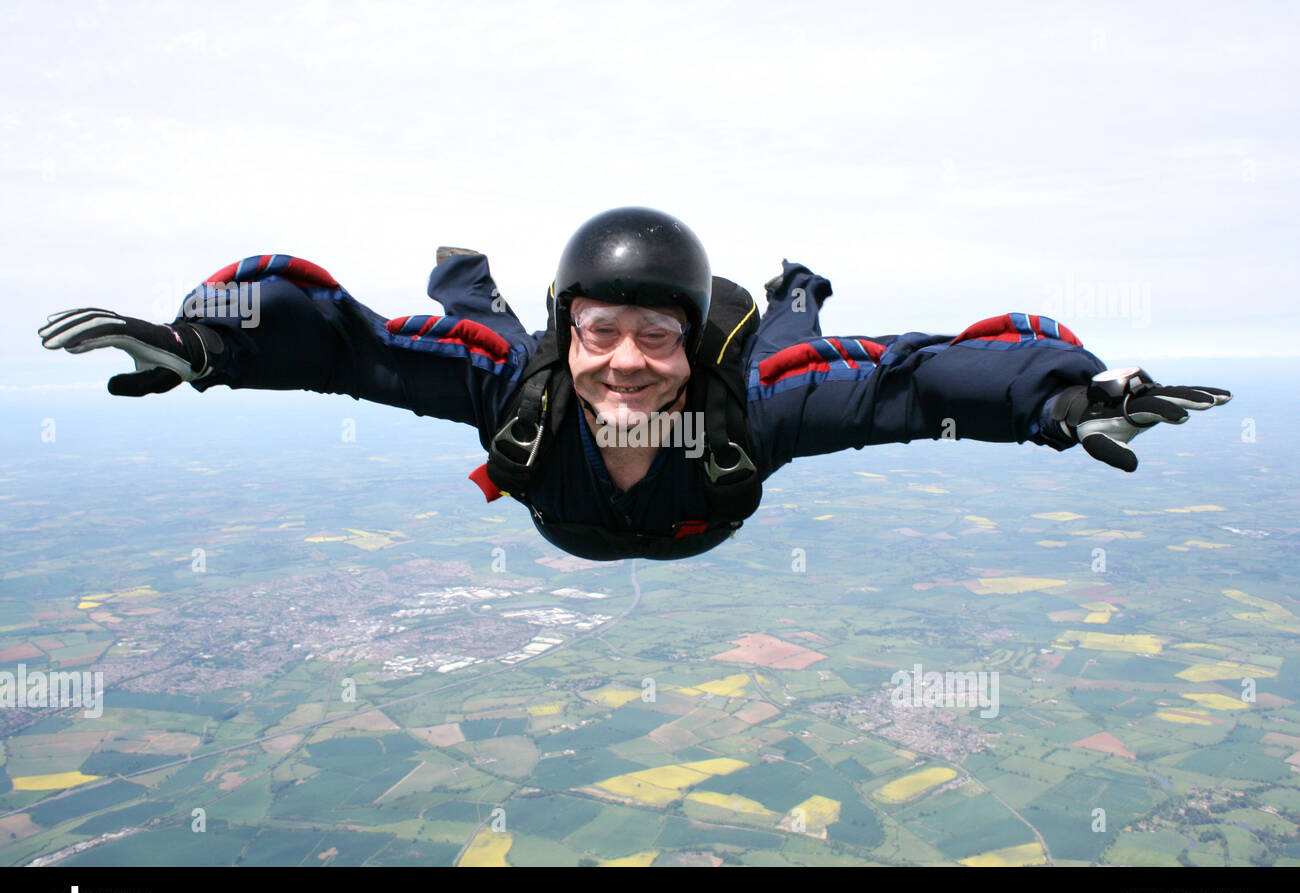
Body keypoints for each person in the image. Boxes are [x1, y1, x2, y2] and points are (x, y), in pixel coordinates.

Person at [39, 207, 1231, 561]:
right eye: (599, 333)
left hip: (691, 497)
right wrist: (215, 342)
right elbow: (349, 340)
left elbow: (915, 384)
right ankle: (469, 268)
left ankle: (798, 282)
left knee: (792, 338)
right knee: (468, 328)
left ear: (685, 345)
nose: (624, 361)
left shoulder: (747, 406)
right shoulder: (524, 383)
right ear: (571, 333)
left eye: (655, 339)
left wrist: (1058, 393)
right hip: (589, 493)